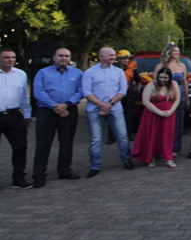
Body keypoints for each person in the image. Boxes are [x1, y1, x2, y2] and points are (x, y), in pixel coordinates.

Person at [31, 47, 83, 187]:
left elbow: (80, 91)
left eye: (66, 56)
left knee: (67, 142)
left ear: (70, 58)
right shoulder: (43, 72)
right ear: (54, 57)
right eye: (60, 55)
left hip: (69, 110)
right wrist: (55, 107)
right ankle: (39, 174)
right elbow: (38, 92)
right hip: (46, 111)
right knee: (43, 143)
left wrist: (66, 105)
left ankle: (64, 170)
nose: (63, 58)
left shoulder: (77, 73)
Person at [82, 47, 134, 178]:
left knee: (122, 136)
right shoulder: (89, 72)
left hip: (115, 107)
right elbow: (87, 92)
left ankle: (126, 160)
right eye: (110, 55)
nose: (113, 57)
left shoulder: (119, 72)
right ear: (101, 57)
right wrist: (102, 105)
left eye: (114, 55)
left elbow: (122, 91)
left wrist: (110, 104)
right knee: (95, 139)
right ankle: (95, 166)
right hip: (94, 109)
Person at [132, 67, 180, 168]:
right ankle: (151, 157)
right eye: (161, 77)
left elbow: (177, 99)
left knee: (168, 136)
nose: (162, 80)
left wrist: (171, 111)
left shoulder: (174, 84)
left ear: (169, 78)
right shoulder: (151, 85)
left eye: (165, 78)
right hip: (153, 114)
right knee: (153, 135)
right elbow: (146, 102)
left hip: (168, 115)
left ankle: (168, 158)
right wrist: (159, 112)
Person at [0, 47, 33, 189]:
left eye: (13, 57)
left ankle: (18, 178)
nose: (10, 60)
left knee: (20, 147)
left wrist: (27, 114)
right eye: (6, 57)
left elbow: (24, 96)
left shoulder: (20, 74)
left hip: (14, 115)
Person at [153, 44, 189, 157]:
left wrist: (187, 98)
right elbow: (155, 83)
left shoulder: (182, 66)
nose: (177, 53)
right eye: (175, 51)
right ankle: (161, 148)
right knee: (165, 124)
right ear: (169, 52)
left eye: (178, 51)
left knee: (178, 124)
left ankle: (175, 149)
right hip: (166, 97)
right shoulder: (160, 66)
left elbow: (185, 82)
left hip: (180, 96)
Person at [116, 50, 141, 140]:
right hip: (116, 96)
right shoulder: (114, 69)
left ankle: (128, 135)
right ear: (119, 59)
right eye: (124, 58)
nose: (126, 60)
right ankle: (112, 137)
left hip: (129, 96)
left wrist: (137, 92)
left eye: (128, 58)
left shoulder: (132, 69)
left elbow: (138, 81)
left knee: (128, 116)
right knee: (114, 116)